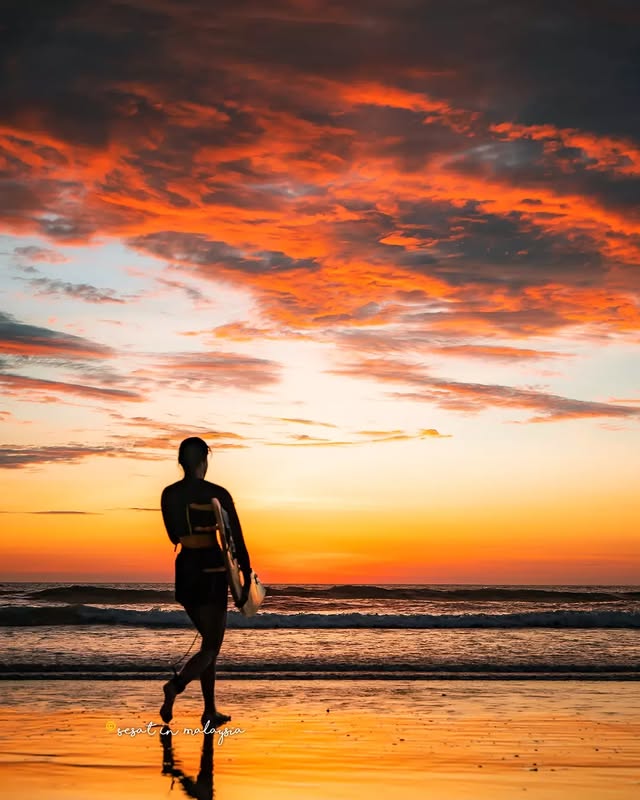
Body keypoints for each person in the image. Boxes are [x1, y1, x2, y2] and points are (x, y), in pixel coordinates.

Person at [159, 436, 251, 728]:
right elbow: (234, 536)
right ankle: (176, 686)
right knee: (212, 646)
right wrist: (246, 575)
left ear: (181, 462)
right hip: (212, 570)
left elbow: (173, 536)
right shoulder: (218, 492)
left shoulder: (168, 494)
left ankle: (209, 710)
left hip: (186, 569)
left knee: (207, 643)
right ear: (204, 461)